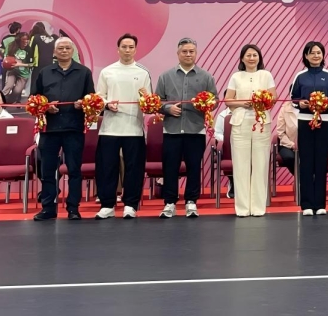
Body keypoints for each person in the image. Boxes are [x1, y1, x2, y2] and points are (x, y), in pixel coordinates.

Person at [154, 37, 218, 219]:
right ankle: (169, 203)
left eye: (191, 51)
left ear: (196, 54)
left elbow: (214, 100)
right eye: (184, 51)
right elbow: (157, 101)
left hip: (195, 130)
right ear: (178, 54)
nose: (188, 54)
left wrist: (205, 104)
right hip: (171, 130)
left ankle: (191, 202)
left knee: (194, 167)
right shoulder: (165, 76)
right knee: (170, 168)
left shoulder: (206, 76)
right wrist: (167, 108)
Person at [33, 37, 94, 221]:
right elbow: (34, 98)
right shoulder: (44, 72)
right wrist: (45, 107)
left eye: (68, 48)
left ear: (73, 51)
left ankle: (73, 208)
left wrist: (83, 103)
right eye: (60, 48)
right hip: (49, 129)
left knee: (74, 170)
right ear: (54, 52)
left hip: (73, 128)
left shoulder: (84, 72)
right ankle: (48, 208)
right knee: (47, 171)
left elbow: (91, 99)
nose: (64, 51)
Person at [94, 34, 151, 220]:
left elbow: (149, 101)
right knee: (107, 167)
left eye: (131, 47)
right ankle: (107, 205)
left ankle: (130, 205)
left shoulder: (143, 73)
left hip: (134, 129)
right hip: (110, 128)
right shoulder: (107, 72)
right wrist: (107, 104)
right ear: (118, 49)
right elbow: (99, 97)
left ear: (135, 50)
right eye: (124, 47)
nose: (127, 50)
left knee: (134, 169)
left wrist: (147, 101)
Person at [224, 43, 277, 217]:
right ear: (242, 58)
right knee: (241, 165)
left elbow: (273, 98)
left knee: (261, 165)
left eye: (255, 55)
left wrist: (263, 102)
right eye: (248, 55)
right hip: (240, 123)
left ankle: (258, 207)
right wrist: (242, 103)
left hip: (261, 123)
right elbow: (228, 100)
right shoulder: (236, 76)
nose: (252, 58)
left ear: (259, 57)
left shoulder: (266, 75)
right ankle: (242, 208)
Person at [290, 41, 328, 216]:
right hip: (305, 122)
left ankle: (320, 204)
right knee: (306, 163)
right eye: (312, 53)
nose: (315, 56)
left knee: (321, 162)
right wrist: (301, 104)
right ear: (306, 56)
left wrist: (326, 105)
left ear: (323, 55)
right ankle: (306, 204)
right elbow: (293, 98)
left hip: (324, 122)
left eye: (319, 52)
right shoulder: (300, 76)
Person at [2, 32, 33, 105]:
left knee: (17, 91)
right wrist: (5, 62)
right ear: (19, 40)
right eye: (23, 40)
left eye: (27, 39)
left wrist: (20, 64)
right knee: (8, 86)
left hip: (23, 73)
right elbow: (6, 58)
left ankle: (7, 103)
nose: (26, 41)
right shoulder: (11, 46)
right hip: (12, 70)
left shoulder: (29, 49)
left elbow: (32, 64)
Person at [28, 22, 59, 90]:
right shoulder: (51, 38)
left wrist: (30, 62)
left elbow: (30, 50)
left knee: (35, 83)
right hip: (50, 63)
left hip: (38, 64)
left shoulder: (35, 37)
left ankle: (34, 95)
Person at [214, 108, 235, 198]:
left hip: (245, 143)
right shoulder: (222, 115)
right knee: (226, 147)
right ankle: (233, 182)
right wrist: (228, 139)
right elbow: (217, 133)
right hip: (228, 147)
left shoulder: (248, 113)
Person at [274, 103, 298, 178]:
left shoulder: (311, 107)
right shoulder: (284, 108)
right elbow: (280, 132)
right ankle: (302, 179)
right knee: (289, 157)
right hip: (287, 144)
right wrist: (292, 144)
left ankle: (307, 180)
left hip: (306, 145)